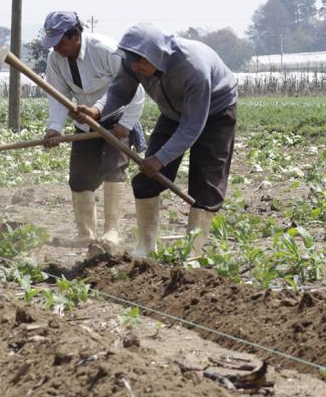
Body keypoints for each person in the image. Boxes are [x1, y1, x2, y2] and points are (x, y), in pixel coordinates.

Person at [74, 22, 238, 258]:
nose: (135, 68)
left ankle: (193, 254)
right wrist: (97, 111)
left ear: (156, 55)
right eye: (132, 62)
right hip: (172, 113)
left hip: (216, 112)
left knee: (206, 185)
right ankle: (146, 248)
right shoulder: (133, 62)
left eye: (140, 62)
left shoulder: (193, 67)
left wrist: (161, 159)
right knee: (146, 179)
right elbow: (119, 92)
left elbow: (192, 126)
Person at [40, 11, 146, 247]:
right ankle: (85, 233)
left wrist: (126, 125)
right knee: (79, 177)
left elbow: (133, 88)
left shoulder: (105, 50)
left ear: (76, 35)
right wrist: (55, 128)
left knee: (113, 169)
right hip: (84, 122)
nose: (56, 48)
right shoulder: (55, 59)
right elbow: (57, 96)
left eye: (61, 42)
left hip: (117, 119)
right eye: (53, 43)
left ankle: (112, 231)